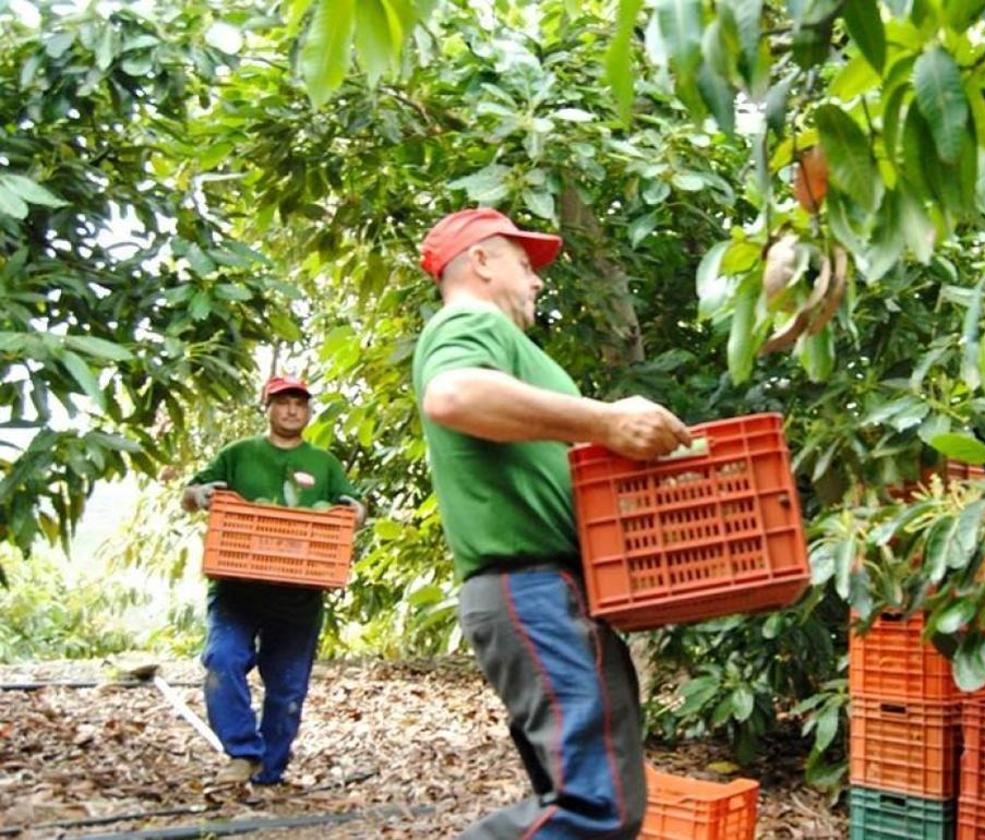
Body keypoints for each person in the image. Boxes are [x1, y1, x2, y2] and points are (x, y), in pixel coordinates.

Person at [413, 207, 692, 838]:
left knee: (576, 798)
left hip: (547, 593)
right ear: (480, 260)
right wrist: (605, 420)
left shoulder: (511, 348)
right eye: (524, 262)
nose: (538, 280)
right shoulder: (468, 322)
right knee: (598, 807)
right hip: (531, 591)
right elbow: (452, 395)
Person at [181, 376, 366, 786]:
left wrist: (357, 511)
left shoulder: (325, 464)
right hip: (238, 588)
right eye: (283, 403)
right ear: (268, 407)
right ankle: (242, 752)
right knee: (222, 660)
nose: (291, 411)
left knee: (287, 690)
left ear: (308, 412)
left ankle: (270, 772)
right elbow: (191, 493)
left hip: (298, 594)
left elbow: (352, 507)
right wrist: (200, 494)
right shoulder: (238, 454)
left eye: (299, 404)